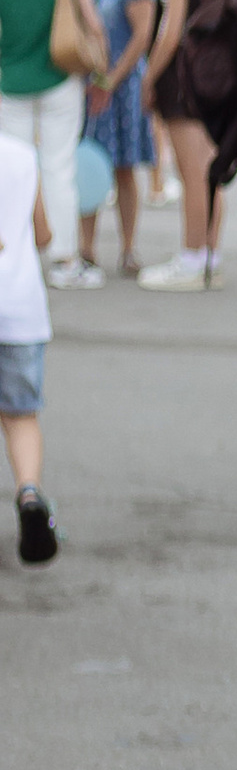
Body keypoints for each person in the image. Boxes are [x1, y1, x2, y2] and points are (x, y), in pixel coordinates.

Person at [0, 0, 95, 284]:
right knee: (59, 167)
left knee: (12, 172)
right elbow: (92, 23)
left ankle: (15, 254)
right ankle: (65, 258)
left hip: (11, 84)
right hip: (59, 79)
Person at [138, 0, 226, 289]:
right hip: (209, 83)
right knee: (208, 176)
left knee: (192, 175)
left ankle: (192, 258)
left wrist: (147, 78)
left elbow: (168, 34)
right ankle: (208, 254)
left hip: (182, 84)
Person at [76, 0, 159, 279]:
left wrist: (113, 76)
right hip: (86, 84)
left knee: (124, 168)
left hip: (121, 85)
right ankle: (85, 247)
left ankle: (128, 246)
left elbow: (142, 35)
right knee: (87, 162)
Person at [0, 120, 58, 561]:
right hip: (20, 308)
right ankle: (30, 494)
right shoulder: (22, 156)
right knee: (20, 415)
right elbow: (43, 234)